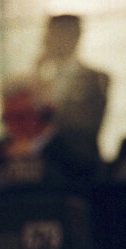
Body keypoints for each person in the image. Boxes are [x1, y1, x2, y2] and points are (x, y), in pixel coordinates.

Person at [0, 75, 100, 183]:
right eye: (7, 118)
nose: (13, 126)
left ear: (45, 113)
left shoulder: (77, 146)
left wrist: (35, 151)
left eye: (21, 117)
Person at [34, 14, 110, 166]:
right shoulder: (40, 79)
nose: (47, 40)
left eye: (56, 34)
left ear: (75, 36)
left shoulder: (96, 78)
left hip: (80, 167)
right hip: (44, 167)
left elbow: (84, 128)